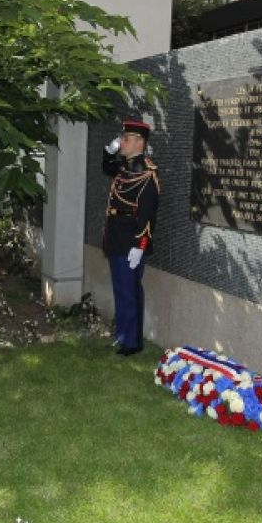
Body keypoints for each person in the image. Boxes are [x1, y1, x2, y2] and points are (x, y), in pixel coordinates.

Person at [101, 120, 160, 356]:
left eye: (125, 139)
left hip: (131, 240)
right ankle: (123, 336)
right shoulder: (125, 168)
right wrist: (109, 150)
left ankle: (133, 342)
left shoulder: (147, 173)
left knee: (130, 290)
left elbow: (147, 213)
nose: (121, 142)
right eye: (121, 139)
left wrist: (140, 245)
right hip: (116, 236)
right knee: (119, 289)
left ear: (139, 142)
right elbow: (108, 167)